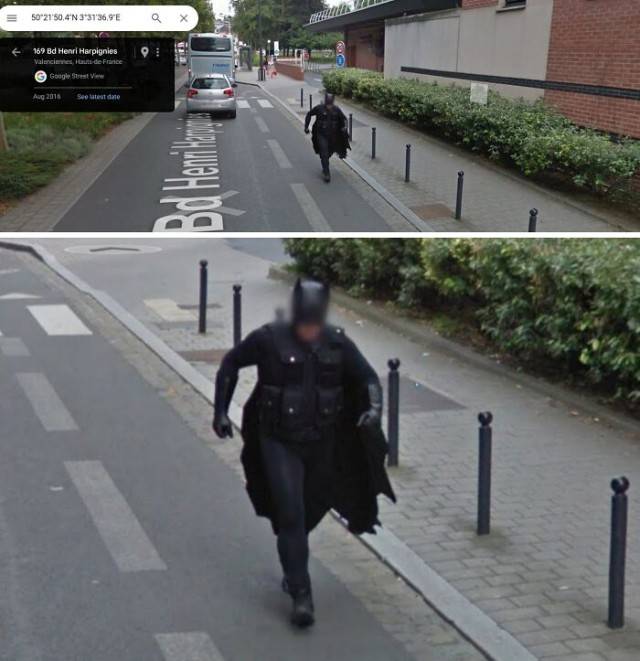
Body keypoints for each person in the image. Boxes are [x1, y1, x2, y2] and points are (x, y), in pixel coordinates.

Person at [212, 279, 395, 628]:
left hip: (323, 443)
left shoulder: (337, 342)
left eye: (315, 324)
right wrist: (221, 410)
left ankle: (291, 557)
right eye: (304, 324)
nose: (310, 331)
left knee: (310, 510)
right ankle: (301, 593)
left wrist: (374, 410)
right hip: (278, 440)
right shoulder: (268, 339)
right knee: (291, 513)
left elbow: (368, 378)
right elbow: (231, 363)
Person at [304, 93, 350, 182]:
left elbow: (344, 119)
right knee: (324, 152)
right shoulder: (319, 108)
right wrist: (306, 127)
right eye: (328, 105)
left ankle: (324, 163)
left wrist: (345, 127)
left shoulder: (336, 109)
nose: (329, 107)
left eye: (330, 105)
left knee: (329, 153)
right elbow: (309, 114)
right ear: (325, 103)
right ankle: (326, 173)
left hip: (333, 136)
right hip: (321, 134)